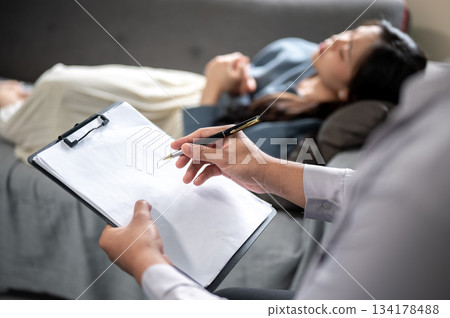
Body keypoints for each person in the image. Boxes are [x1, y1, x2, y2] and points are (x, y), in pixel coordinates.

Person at [99, 67, 450, 299]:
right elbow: (361, 191)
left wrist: (147, 263)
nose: (337, 40)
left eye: (347, 50)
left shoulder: (434, 155)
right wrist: (267, 170)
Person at [0, 20, 426, 162]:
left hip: (182, 121)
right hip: (183, 89)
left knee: (56, 89)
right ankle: (22, 93)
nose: (334, 39)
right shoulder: (302, 54)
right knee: (63, 81)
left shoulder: (303, 130)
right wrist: (236, 77)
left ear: (353, 91)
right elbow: (253, 73)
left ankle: (19, 102)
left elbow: (205, 147)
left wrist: (214, 90)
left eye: (346, 52)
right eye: (350, 31)